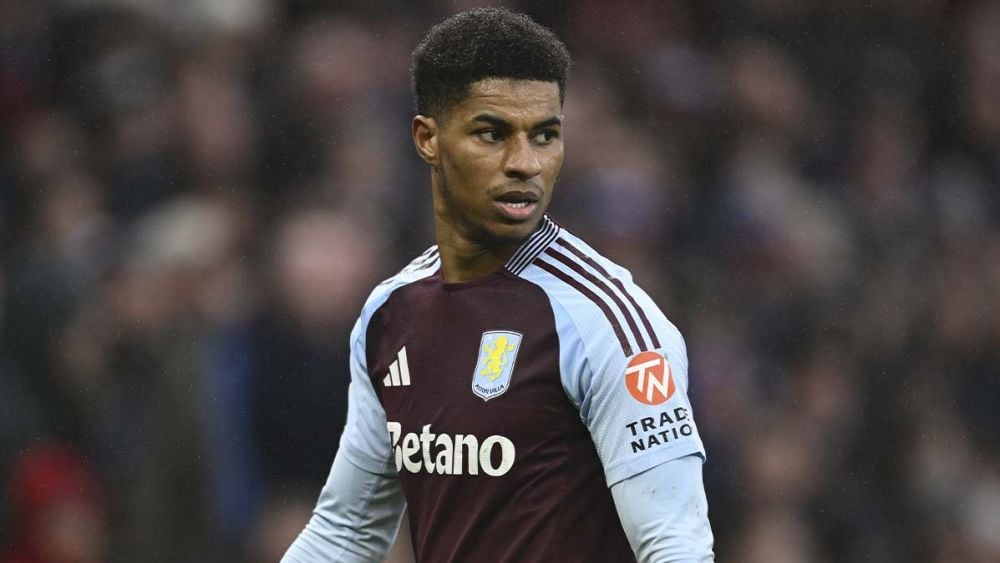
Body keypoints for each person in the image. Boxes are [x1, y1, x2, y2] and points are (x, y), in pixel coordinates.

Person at [282, 8, 714, 562]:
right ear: (427, 139)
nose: (524, 163)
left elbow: (676, 547)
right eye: (492, 134)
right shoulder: (391, 312)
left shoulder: (606, 321)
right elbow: (347, 533)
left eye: (545, 135)